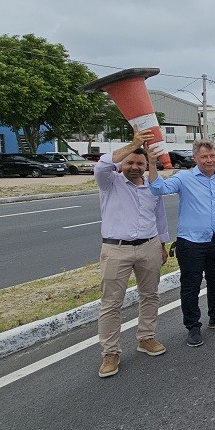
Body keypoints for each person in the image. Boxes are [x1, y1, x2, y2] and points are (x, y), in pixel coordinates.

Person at [95, 130, 169, 378]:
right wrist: (134, 144)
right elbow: (101, 165)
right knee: (111, 303)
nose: (135, 167)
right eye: (130, 163)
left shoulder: (151, 186)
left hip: (149, 246)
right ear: (121, 164)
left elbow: (159, 216)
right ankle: (110, 352)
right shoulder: (110, 183)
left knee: (150, 294)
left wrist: (162, 245)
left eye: (140, 163)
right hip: (116, 249)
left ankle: (146, 337)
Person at [149, 139, 215, 348]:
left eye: (212, 155)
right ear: (195, 158)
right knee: (191, 286)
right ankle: (193, 326)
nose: (209, 160)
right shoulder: (184, 178)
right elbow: (158, 189)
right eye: (204, 156)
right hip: (190, 242)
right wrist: (152, 164)